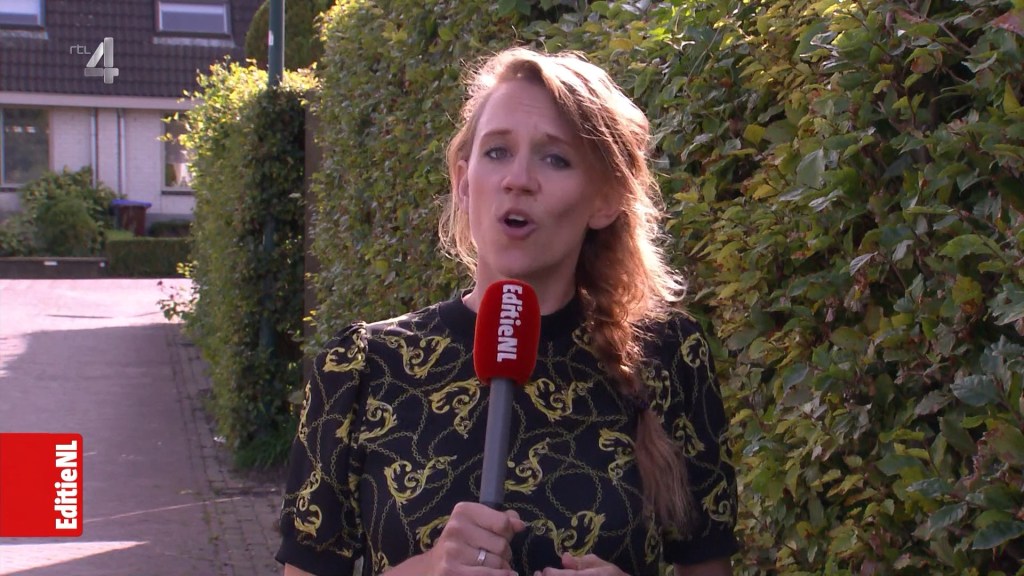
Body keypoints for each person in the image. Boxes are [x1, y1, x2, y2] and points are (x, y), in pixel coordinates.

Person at [276, 46, 738, 576]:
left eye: (555, 158)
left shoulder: (668, 357)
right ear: (463, 182)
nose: (518, 179)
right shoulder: (363, 367)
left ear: (604, 200)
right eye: (497, 152)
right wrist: (426, 569)